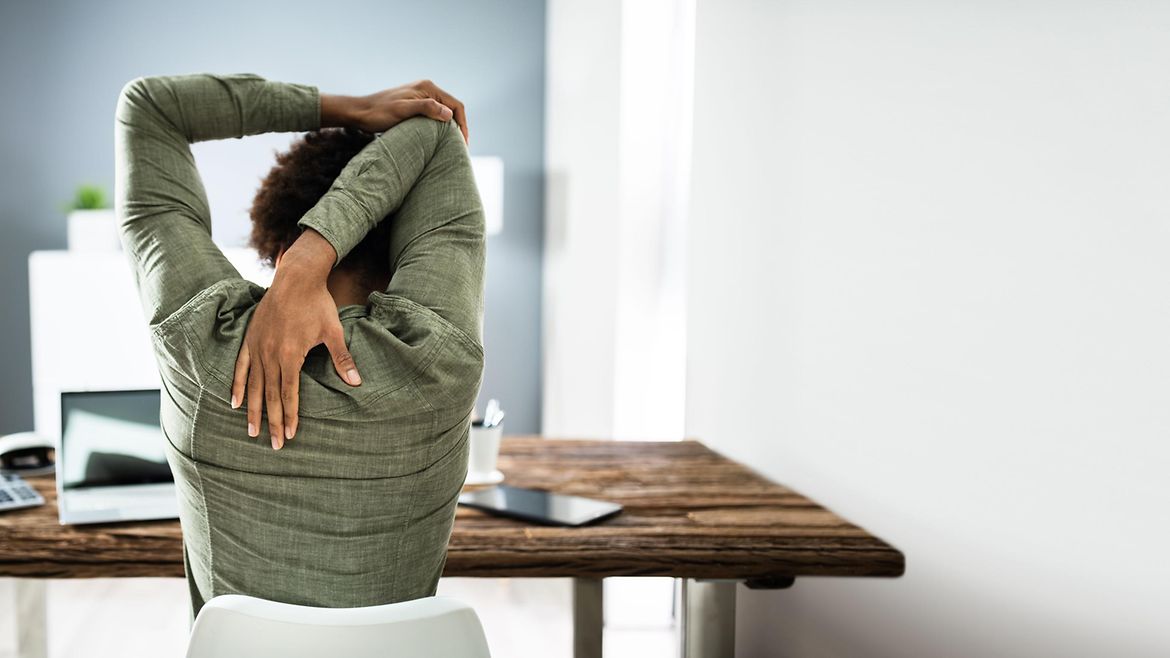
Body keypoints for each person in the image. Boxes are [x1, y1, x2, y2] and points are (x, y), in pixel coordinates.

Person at [113, 72, 485, 622]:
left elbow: (151, 107)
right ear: (409, 239)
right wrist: (320, 247)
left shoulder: (199, 339)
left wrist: (350, 107)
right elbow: (436, 128)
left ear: (275, 245)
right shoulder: (435, 355)